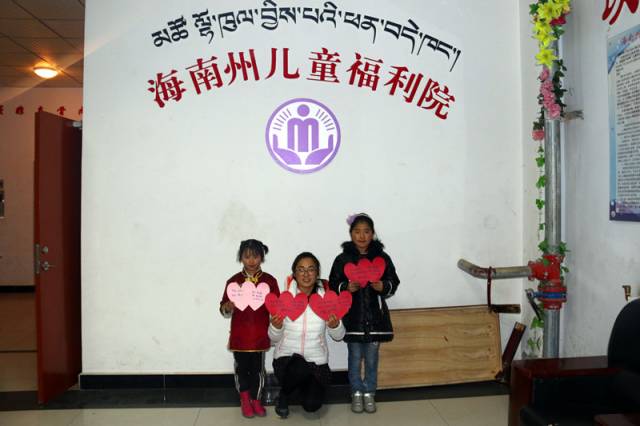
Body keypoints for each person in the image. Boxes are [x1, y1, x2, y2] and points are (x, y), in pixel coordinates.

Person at [329, 213, 400, 414]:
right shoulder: (343, 259)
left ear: (373, 233)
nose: (362, 236)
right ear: (351, 234)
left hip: (376, 320)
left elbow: (394, 281)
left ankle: (369, 393)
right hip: (353, 319)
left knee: (371, 360)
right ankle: (356, 393)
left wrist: (383, 286)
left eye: (366, 231)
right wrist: (345, 287)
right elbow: (333, 283)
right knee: (354, 358)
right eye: (357, 231)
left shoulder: (382, 258)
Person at [269, 252, 345, 418]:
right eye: (301, 269)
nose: (306, 274)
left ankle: (294, 390)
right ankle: (284, 395)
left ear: (317, 273)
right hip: (287, 360)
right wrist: (276, 327)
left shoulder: (327, 300)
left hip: (316, 362)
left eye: (311, 269)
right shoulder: (284, 299)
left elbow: (339, 336)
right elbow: (273, 339)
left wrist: (335, 325)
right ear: (294, 274)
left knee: (312, 406)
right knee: (298, 366)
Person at [220, 239, 280, 418]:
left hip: (259, 336)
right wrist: (227, 307)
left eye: (255, 256)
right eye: (247, 257)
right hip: (239, 336)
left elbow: (277, 306)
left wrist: (276, 313)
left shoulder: (269, 281)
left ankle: (256, 400)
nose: (251, 261)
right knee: (241, 369)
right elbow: (223, 308)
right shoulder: (233, 282)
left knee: (258, 370)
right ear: (241, 258)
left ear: (262, 257)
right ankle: (245, 399)